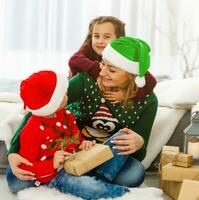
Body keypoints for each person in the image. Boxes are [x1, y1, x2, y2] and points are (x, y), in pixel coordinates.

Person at [7, 36, 158, 194]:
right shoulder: (85, 81)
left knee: (135, 173)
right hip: (71, 148)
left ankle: (81, 178)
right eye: (103, 63)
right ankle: (84, 178)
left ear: (131, 75)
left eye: (112, 70)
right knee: (18, 180)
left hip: (105, 157)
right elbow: (41, 111)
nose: (103, 72)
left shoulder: (148, 102)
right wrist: (13, 152)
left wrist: (139, 142)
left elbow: (139, 154)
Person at [6, 70, 129, 199]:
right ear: (52, 103)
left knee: (121, 138)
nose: (67, 95)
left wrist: (82, 144)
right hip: (58, 175)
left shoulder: (67, 115)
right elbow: (27, 168)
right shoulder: (32, 129)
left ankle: (99, 176)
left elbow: (75, 138)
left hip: (77, 160)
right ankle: (124, 194)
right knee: (90, 187)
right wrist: (52, 163)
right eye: (63, 94)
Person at [69, 16, 157, 103]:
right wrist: (98, 72)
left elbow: (150, 81)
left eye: (107, 37)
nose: (100, 41)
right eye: (96, 36)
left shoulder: (124, 56)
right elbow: (74, 60)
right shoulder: (88, 48)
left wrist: (128, 94)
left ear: (119, 39)